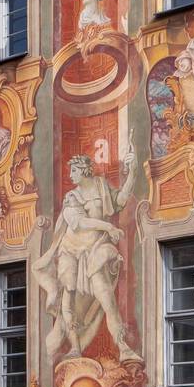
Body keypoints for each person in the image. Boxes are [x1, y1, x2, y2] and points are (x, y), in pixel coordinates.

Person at [33, 151, 140, 361]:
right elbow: (78, 223)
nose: (71, 176)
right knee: (69, 296)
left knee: (106, 296)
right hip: (71, 249)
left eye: (73, 171)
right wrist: (108, 226)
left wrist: (133, 173)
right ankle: (75, 347)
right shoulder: (72, 197)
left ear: (83, 170)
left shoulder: (101, 186)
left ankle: (122, 347)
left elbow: (120, 200)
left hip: (96, 247)